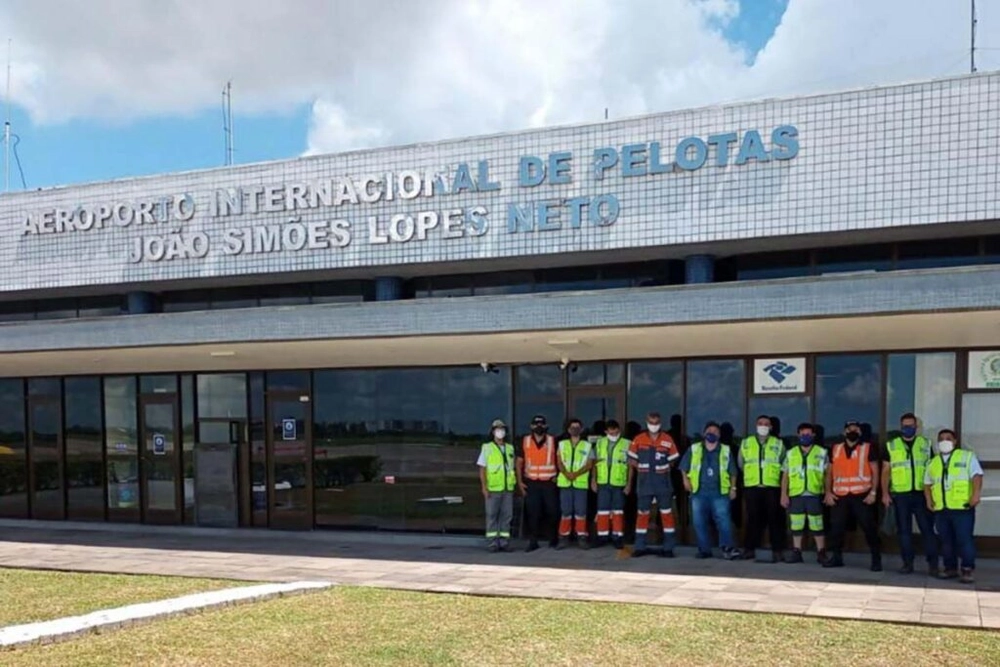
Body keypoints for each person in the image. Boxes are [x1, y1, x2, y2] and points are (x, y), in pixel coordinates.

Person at [882, 412, 939, 575]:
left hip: (922, 494)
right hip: (900, 495)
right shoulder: (892, 445)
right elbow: (886, 471)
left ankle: (933, 565)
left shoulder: (926, 444)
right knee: (904, 532)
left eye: (911, 425)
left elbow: (933, 470)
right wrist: (884, 493)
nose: (908, 428)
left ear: (916, 427)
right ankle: (907, 563)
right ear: (901, 427)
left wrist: (933, 495)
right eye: (905, 426)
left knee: (927, 530)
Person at [924, 429, 984, 584]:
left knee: (964, 540)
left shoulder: (966, 457)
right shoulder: (933, 462)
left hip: (962, 508)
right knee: (946, 541)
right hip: (941, 509)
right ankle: (950, 568)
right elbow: (927, 484)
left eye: (948, 438)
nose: (945, 441)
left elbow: (977, 476)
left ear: (955, 441)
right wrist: (928, 500)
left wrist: (976, 494)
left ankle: (967, 569)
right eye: (941, 439)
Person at [823, 420, 882, 571]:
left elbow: (875, 471)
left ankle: (876, 559)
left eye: (856, 429)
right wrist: (828, 492)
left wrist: (874, 492)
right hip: (840, 495)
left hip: (862, 495)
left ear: (860, 432)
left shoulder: (868, 448)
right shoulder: (835, 449)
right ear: (844, 432)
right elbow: (829, 473)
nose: (853, 431)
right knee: (836, 528)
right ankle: (836, 557)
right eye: (850, 429)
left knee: (869, 528)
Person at [680, 421, 739, 560]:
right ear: (704, 433)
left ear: (719, 435)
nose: (712, 433)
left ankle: (727, 548)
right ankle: (704, 550)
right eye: (709, 431)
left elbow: (733, 472)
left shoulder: (725, 450)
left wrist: (733, 488)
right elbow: (684, 467)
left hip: (719, 492)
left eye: (715, 431)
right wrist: (685, 480)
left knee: (723, 521)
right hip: (699, 492)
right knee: (699, 522)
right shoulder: (694, 448)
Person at [627, 411, 679, 557]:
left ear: (660, 423)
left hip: (663, 483)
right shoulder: (638, 439)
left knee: (666, 515)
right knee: (642, 514)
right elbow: (631, 459)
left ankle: (668, 548)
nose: (654, 425)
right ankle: (639, 547)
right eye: (651, 422)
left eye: (656, 423)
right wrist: (641, 467)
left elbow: (673, 459)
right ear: (647, 422)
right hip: (644, 483)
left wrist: (666, 467)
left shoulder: (667, 439)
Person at [738, 415, 787, 563]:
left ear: (771, 427)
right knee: (753, 519)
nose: (763, 426)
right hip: (752, 487)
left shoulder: (778, 444)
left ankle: (777, 551)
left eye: (766, 424)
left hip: (772, 487)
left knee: (775, 520)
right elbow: (741, 464)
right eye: (760, 423)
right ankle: (749, 549)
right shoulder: (746, 443)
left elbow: (784, 465)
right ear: (756, 425)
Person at [780, 423, 828, 564]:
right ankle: (797, 552)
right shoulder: (791, 453)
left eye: (808, 434)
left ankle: (821, 552)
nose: (805, 436)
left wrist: (828, 492)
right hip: (796, 494)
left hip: (814, 493)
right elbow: (785, 476)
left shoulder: (821, 452)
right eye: (802, 434)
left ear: (813, 435)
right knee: (796, 525)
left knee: (817, 525)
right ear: (798, 435)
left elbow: (828, 474)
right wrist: (784, 494)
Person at [515, 414, 560, 552]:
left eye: (541, 424)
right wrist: (520, 482)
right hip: (532, 483)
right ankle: (533, 541)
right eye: (536, 424)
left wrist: (559, 475)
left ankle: (553, 539)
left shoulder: (553, 441)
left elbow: (559, 460)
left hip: (549, 483)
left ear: (546, 426)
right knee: (533, 513)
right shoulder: (525, 441)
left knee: (552, 512)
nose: (539, 426)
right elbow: (519, 463)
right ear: (531, 426)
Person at [556, 417, 595, 549]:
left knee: (580, 512)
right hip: (565, 483)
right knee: (565, 512)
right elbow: (559, 462)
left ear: (582, 429)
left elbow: (590, 464)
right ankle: (563, 538)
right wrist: (567, 474)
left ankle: (582, 538)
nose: (575, 430)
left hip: (580, 483)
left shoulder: (587, 445)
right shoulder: (562, 444)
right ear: (568, 430)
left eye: (577, 428)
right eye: (572, 428)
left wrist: (575, 474)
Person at [477, 419, 516, 552]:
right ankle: (492, 543)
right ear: (493, 431)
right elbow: (482, 469)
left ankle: (504, 542)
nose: (500, 432)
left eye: (502, 429)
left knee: (507, 516)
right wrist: (484, 487)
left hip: (507, 489)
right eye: (498, 429)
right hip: (493, 489)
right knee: (492, 515)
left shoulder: (510, 448)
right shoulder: (487, 447)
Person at [592, 419, 631, 549]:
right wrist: (593, 480)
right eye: (611, 430)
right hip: (603, 482)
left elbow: (631, 466)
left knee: (618, 511)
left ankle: (617, 537)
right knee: (602, 511)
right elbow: (595, 464)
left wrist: (629, 484)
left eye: (615, 430)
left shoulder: (627, 444)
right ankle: (602, 536)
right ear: (606, 431)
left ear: (619, 429)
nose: (613, 432)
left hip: (619, 483)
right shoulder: (600, 443)